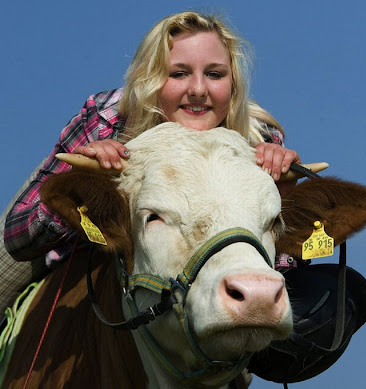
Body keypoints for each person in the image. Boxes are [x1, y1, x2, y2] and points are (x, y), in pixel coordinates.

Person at [1, 11, 299, 322]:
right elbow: (18, 237)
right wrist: (85, 180)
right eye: (179, 73)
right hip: (78, 243)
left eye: (214, 74)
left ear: (234, 83)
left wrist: (283, 202)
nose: (198, 89)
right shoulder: (108, 120)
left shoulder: (258, 140)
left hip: (194, 276)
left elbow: (277, 264)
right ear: (150, 79)